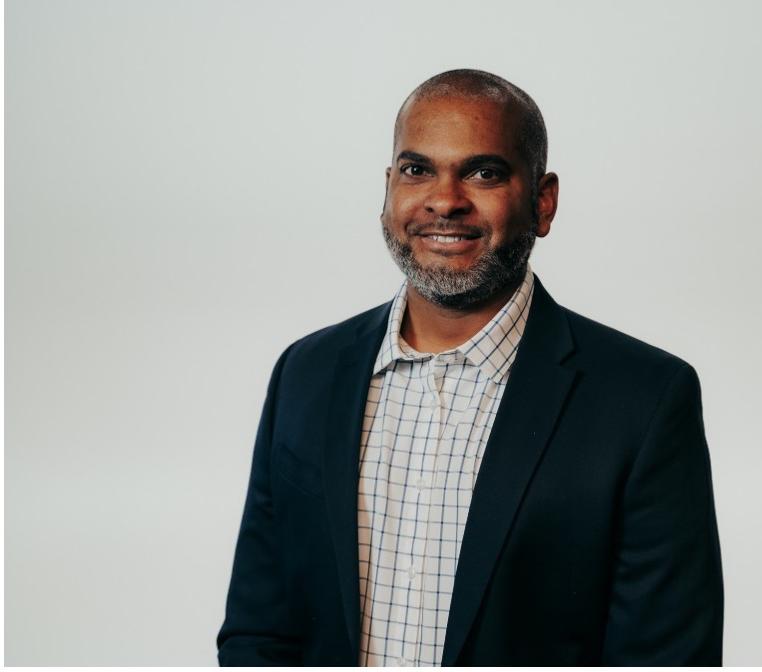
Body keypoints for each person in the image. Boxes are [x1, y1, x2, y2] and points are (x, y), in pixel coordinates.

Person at [217, 69, 723, 666]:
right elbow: (259, 627)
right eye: (417, 170)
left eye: (484, 172)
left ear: (543, 201)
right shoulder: (306, 372)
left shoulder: (643, 400)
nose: (444, 200)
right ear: (388, 190)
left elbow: (664, 657)